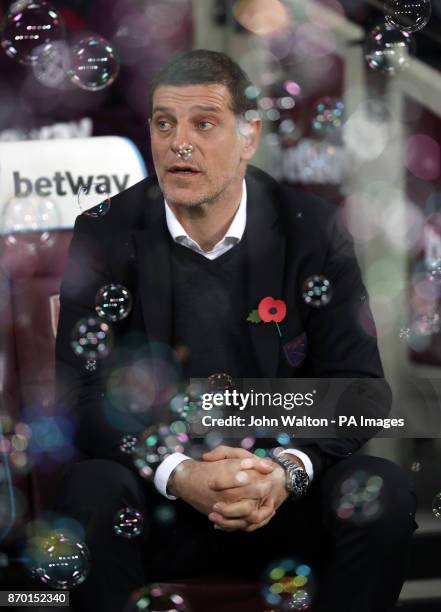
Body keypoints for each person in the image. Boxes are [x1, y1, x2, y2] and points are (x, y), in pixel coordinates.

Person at [54, 50, 417, 612]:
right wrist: (180, 473)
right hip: (159, 509)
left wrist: (282, 472)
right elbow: (79, 394)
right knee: (90, 489)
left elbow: (361, 389)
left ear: (248, 137)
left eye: (204, 123)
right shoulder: (107, 232)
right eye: (163, 122)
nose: (179, 142)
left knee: (384, 490)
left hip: (281, 506)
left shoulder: (312, 230)